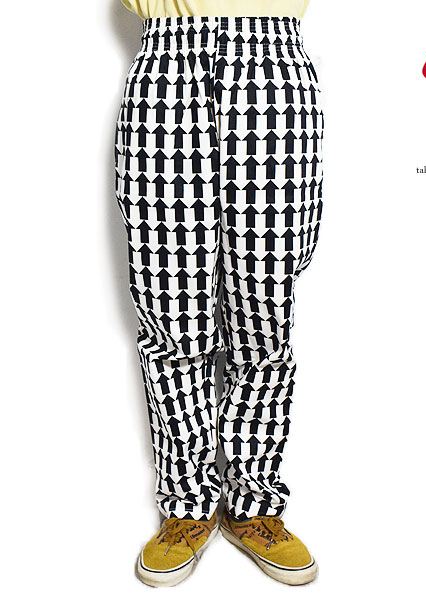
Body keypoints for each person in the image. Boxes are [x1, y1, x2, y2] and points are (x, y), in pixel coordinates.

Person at [113, 0, 324, 587]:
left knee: (266, 302)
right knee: (169, 303)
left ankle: (254, 502)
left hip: (273, 63)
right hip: (166, 60)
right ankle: (186, 505)